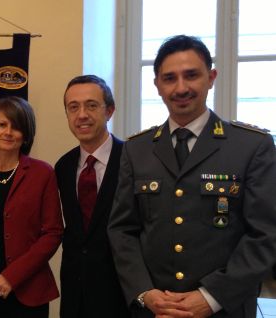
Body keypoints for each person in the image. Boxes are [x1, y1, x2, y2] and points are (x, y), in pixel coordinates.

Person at [108, 34, 276, 318]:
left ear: (211, 78)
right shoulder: (137, 149)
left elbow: (265, 234)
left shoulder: (252, 146)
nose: (181, 87)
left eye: (191, 75)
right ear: (157, 85)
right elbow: (122, 230)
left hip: (225, 309)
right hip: (155, 310)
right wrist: (144, 292)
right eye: (169, 78)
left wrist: (211, 297)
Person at [0, 96, 63, 318]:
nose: (8, 132)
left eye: (16, 127)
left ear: (26, 133)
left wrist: (12, 276)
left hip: (26, 291)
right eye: (2, 125)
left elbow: (53, 233)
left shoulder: (42, 173)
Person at [55, 75, 129, 318]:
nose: (82, 114)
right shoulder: (63, 167)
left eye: (91, 105)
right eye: (73, 107)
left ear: (109, 111)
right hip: (76, 294)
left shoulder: (133, 160)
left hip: (122, 293)